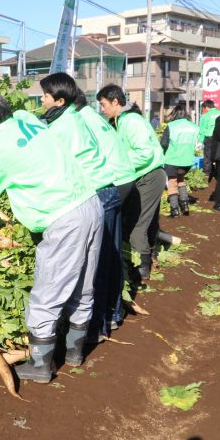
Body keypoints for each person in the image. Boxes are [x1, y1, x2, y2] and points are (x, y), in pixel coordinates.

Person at [0, 89, 103, 383]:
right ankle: (75, 352)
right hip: (89, 203)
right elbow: (8, 146)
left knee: (46, 293)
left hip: (62, 218)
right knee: (84, 284)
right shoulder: (25, 119)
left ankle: (40, 367)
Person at [39, 73, 119, 348]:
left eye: (45, 96)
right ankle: (101, 325)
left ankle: (94, 331)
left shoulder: (63, 125)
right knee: (101, 263)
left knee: (91, 271)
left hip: (94, 193)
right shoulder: (74, 117)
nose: (41, 100)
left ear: (59, 101)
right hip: (106, 188)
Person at [74, 89, 136, 339]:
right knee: (111, 251)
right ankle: (113, 313)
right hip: (121, 179)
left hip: (109, 184)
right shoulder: (92, 116)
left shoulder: (80, 120)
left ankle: (100, 321)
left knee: (100, 255)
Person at [96, 84, 165, 284]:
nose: (102, 108)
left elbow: (144, 153)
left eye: (103, 104)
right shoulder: (122, 121)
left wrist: (118, 164)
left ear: (115, 102)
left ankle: (141, 271)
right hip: (146, 175)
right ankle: (150, 259)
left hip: (148, 176)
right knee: (148, 221)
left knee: (136, 224)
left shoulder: (131, 121)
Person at [161, 103, 200, 218]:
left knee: (172, 183)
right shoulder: (193, 126)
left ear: (175, 113)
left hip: (172, 160)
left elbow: (163, 144)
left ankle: (174, 209)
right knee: (181, 180)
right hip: (187, 161)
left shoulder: (171, 126)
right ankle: (185, 205)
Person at [199, 100, 220, 180]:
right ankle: (219, 175)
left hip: (209, 138)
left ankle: (207, 177)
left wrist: (200, 141)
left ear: (206, 107)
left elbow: (202, 130)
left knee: (207, 157)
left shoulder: (205, 116)